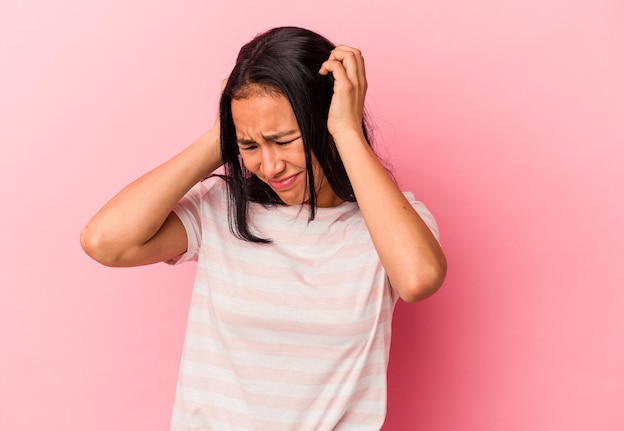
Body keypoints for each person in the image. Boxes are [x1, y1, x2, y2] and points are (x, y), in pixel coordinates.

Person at [81, 26, 446, 431]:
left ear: (325, 123)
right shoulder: (220, 210)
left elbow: (418, 279)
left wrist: (346, 130)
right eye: (250, 147)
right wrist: (222, 134)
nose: (269, 167)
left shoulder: (389, 222)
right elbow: (105, 243)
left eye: (285, 140)